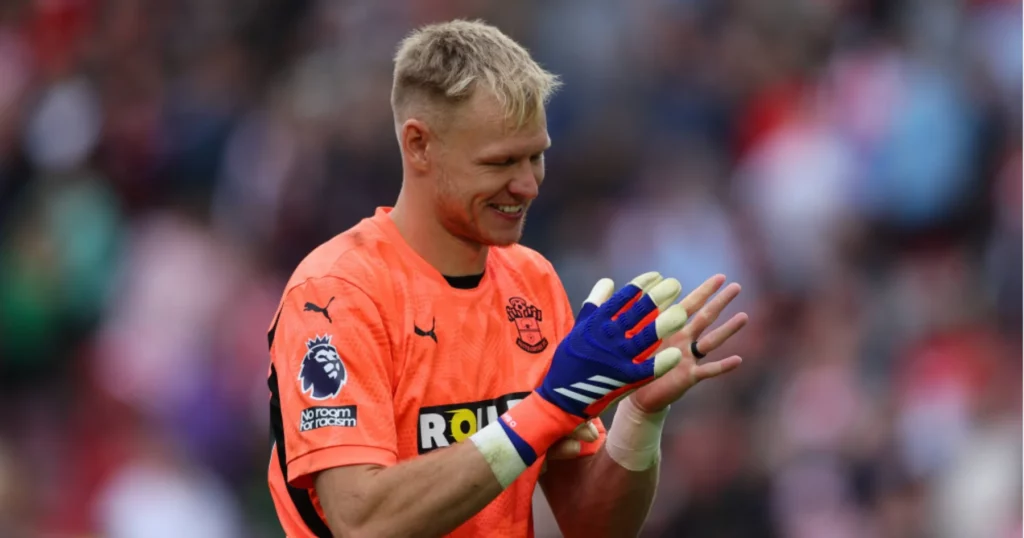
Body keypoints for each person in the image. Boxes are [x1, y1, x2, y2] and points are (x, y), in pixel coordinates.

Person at [265, 19, 748, 538]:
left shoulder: (532, 280)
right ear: (419, 145)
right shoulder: (337, 294)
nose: (527, 185)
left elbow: (591, 526)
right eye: (500, 162)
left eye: (536, 156)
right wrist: (543, 411)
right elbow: (363, 522)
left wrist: (641, 417)